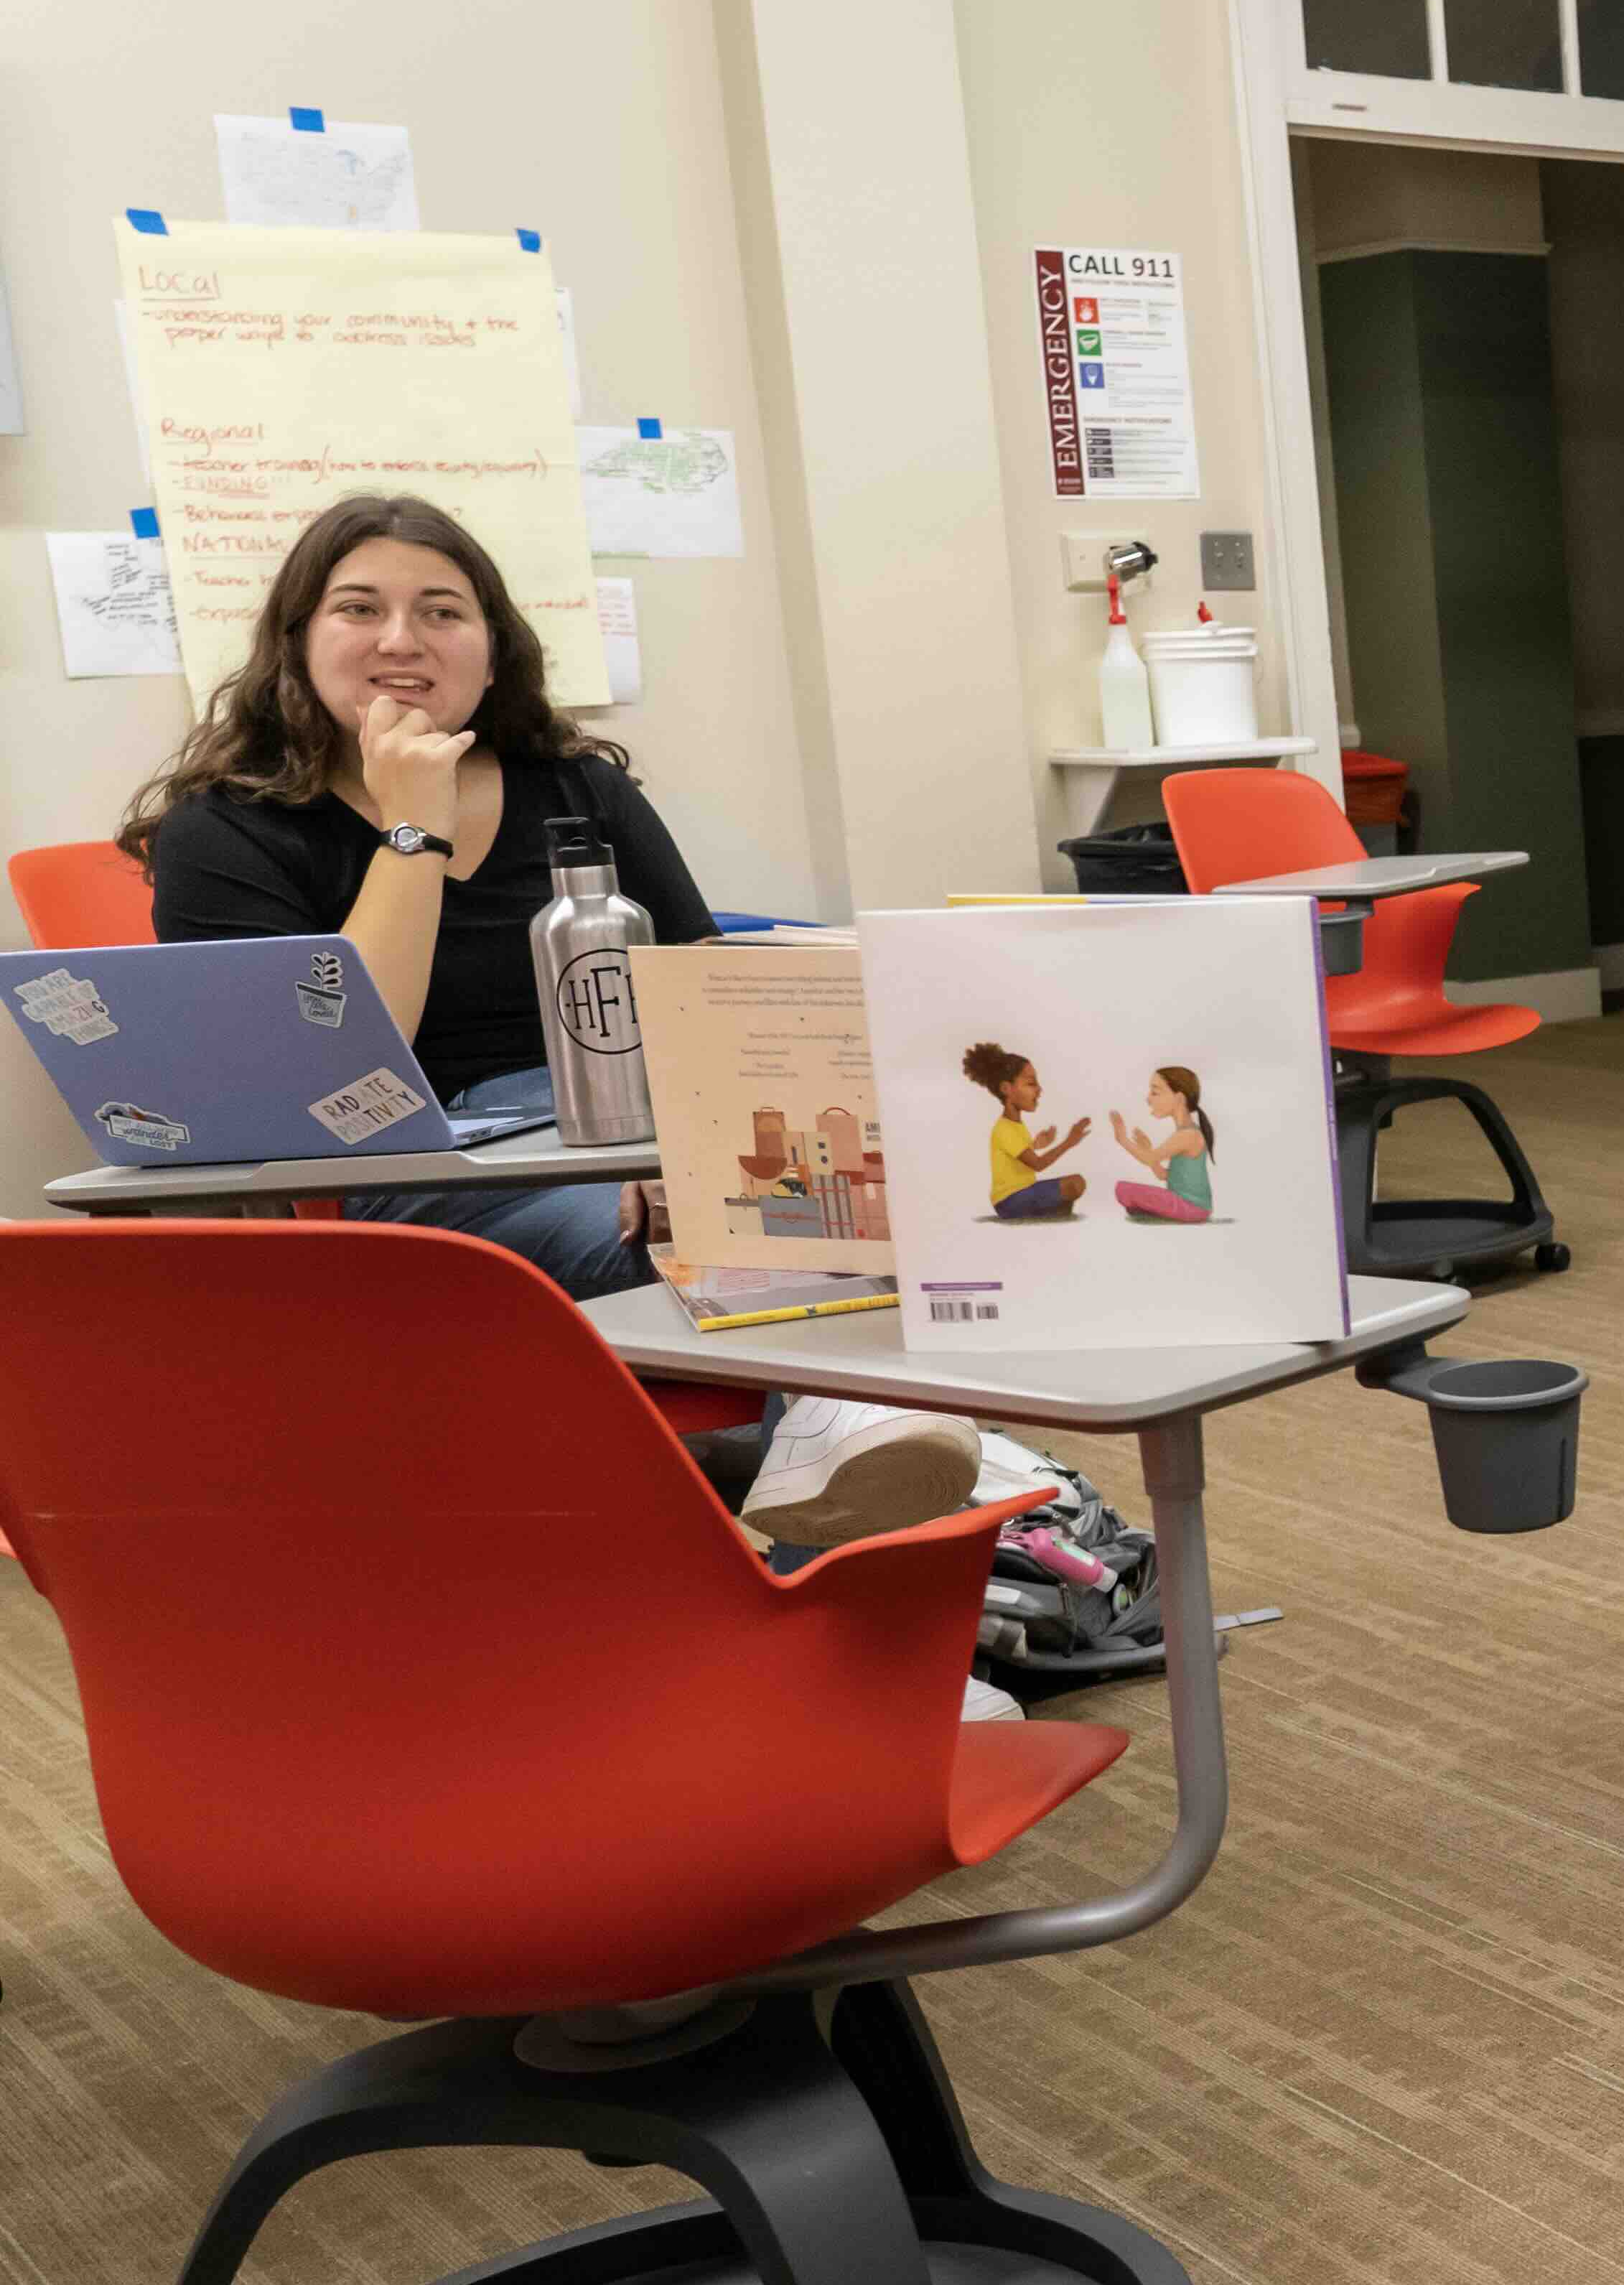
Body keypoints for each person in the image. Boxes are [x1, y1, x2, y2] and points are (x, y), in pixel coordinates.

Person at [123, 493, 984, 1558]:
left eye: (442, 611)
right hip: (421, 1162)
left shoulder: (577, 787)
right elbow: (332, 1079)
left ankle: (851, 1553)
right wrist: (409, 830)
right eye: (359, 608)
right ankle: (869, 1532)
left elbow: (700, 991)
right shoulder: (226, 829)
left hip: (629, 1132)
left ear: (492, 651)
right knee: (736, 1247)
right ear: (298, 643)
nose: (401, 640)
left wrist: (690, 1145)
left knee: (865, 1187)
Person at [962, 1044, 1090, 1219]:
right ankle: (1047, 1213)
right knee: (1075, 1184)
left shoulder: (1015, 1125)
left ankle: (1049, 1213)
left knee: (1074, 1185)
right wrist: (1070, 1141)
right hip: (1011, 1200)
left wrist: (1037, 1145)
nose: (1039, 1090)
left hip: (1023, 1193)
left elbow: (1019, 1156)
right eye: (1031, 1083)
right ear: (1006, 1089)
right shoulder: (1004, 1129)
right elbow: (1037, 1165)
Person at [1109, 1067, 1216, 1222]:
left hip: (1189, 1208)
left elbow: (1148, 1159)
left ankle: (1156, 1213)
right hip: (1193, 1207)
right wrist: (1148, 1149)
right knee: (1127, 1191)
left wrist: (1123, 1139)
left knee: (1123, 1190)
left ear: (1179, 1098)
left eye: (1155, 1092)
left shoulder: (1188, 1135)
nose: (1148, 1100)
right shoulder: (1187, 1133)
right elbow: (1164, 1175)